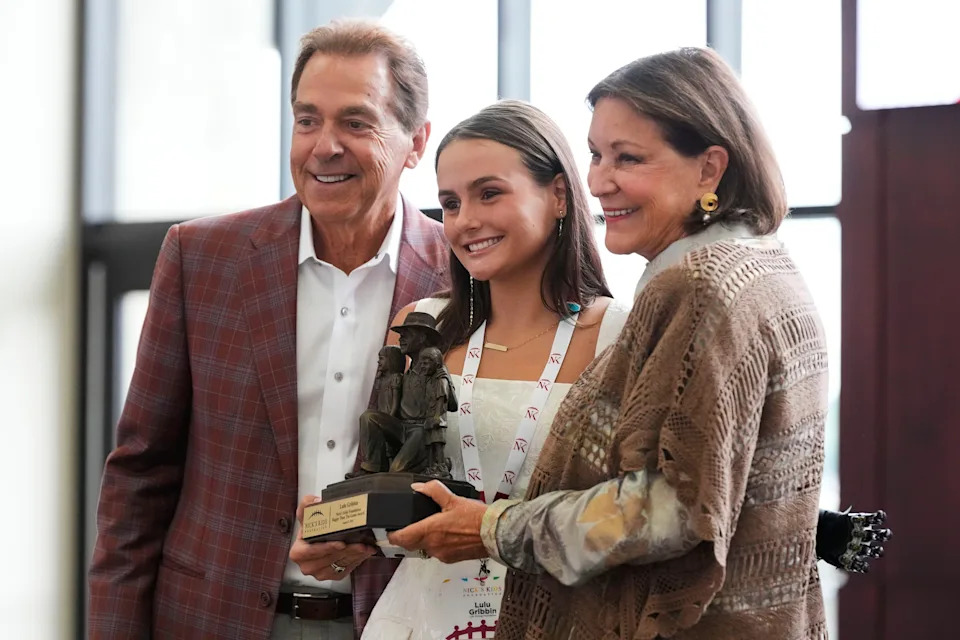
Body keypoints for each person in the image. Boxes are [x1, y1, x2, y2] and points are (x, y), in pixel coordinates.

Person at [383, 48, 849, 639]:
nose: (598, 181)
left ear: (709, 169)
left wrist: (492, 528)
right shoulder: (766, 266)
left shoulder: (700, 286)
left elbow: (677, 507)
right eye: (596, 155)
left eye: (627, 158)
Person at [88, 20, 448, 640]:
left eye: (355, 122)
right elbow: (139, 474)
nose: (323, 146)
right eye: (307, 120)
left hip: (398, 621)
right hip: (212, 619)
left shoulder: (462, 275)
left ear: (415, 142)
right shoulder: (201, 257)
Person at [359, 100, 630, 638]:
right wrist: (344, 538)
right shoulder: (420, 325)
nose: (465, 221)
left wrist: (491, 528)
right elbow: (387, 487)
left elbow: (638, 513)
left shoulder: (621, 335)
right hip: (419, 619)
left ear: (558, 195)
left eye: (489, 193)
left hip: (560, 620)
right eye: (451, 203)